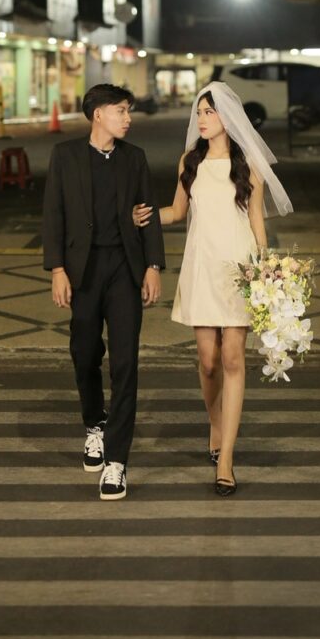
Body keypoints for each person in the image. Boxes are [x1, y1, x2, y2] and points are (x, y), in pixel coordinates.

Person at [134, 81, 292, 497]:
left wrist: (267, 272)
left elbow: (257, 221)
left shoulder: (247, 164)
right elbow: (177, 211)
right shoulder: (190, 161)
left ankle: (226, 460)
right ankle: (216, 423)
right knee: (208, 362)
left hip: (239, 270)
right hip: (201, 268)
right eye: (198, 113)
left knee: (233, 358)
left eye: (209, 112)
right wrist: (141, 215)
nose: (201, 119)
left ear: (228, 116)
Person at [43, 83, 165, 501]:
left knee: (126, 361)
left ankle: (116, 460)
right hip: (84, 270)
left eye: (128, 111)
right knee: (84, 354)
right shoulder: (65, 156)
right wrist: (58, 269)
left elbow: (149, 213)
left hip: (124, 270)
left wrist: (152, 265)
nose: (128, 118)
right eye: (121, 111)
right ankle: (95, 424)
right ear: (98, 114)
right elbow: (54, 214)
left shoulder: (135, 158)